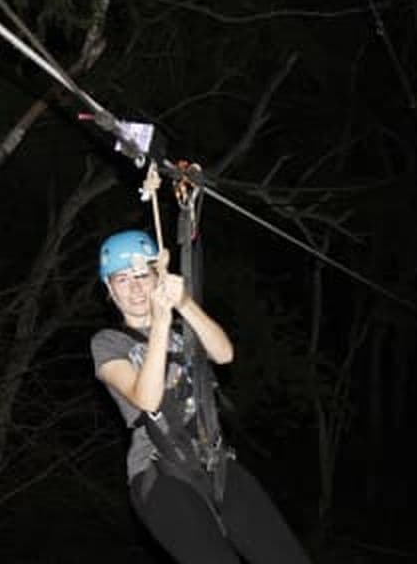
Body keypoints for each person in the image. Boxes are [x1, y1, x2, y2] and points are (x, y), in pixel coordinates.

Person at [90, 229, 312, 564]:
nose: (135, 287)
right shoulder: (108, 342)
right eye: (122, 279)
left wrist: (184, 303)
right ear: (109, 289)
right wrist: (161, 321)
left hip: (217, 462)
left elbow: (224, 354)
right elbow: (147, 399)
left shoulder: (184, 329)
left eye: (142, 275)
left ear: (156, 277)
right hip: (160, 474)